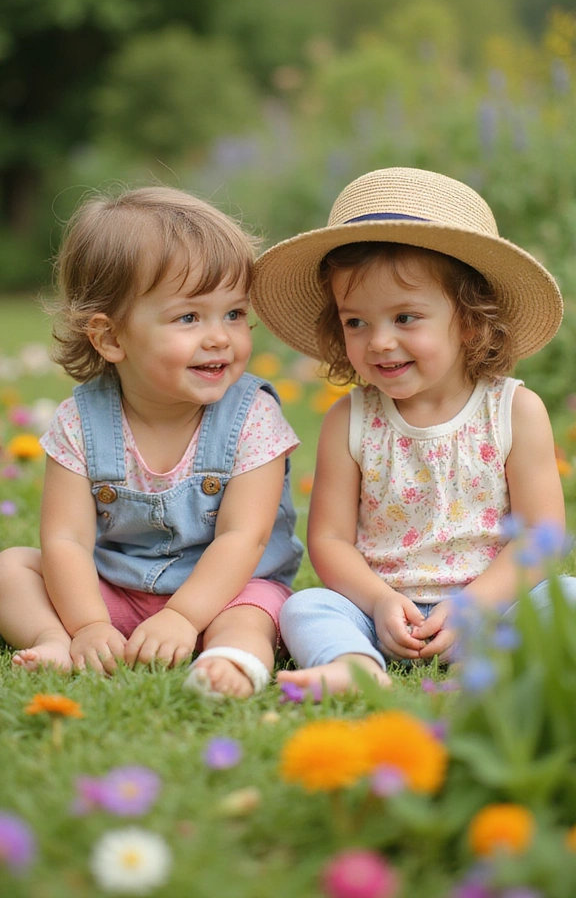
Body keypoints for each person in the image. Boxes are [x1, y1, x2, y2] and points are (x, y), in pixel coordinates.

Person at [250, 166, 575, 694]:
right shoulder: (350, 420)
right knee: (305, 606)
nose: (379, 341)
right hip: (381, 612)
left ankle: (493, 663)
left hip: (492, 607)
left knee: (568, 597)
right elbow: (330, 539)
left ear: (469, 319)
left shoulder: (515, 411)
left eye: (405, 318)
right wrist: (379, 601)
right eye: (356, 322)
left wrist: (473, 607)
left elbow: (540, 538)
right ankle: (352, 663)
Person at [0, 186, 303, 698]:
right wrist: (89, 623)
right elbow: (66, 539)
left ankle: (230, 660)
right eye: (189, 317)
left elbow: (243, 538)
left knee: (258, 613)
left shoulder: (253, 415)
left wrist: (184, 616)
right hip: (115, 594)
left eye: (234, 313)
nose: (220, 337)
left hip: (225, 595)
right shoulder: (81, 421)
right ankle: (55, 640)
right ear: (111, 338)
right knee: (12, 568)